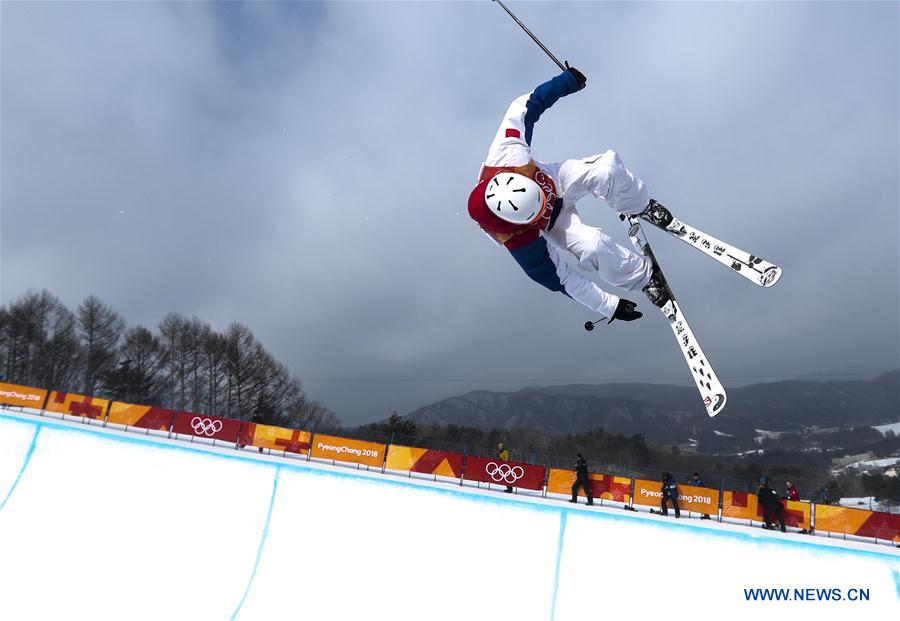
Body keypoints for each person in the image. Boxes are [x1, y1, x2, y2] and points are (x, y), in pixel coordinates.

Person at [467, 67, 673, 324]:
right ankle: (644, 277)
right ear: (518, 223)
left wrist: (566, 82)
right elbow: (563, 279)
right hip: (555, 224)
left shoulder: (507, 155)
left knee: (605, 170)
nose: (544, 203)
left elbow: (526, 107)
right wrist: (608, 305)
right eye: (536, 210)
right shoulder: (519, 241)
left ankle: (640, 205)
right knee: (593, 245)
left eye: (538, 197)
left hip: (557, 179)